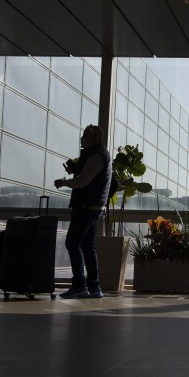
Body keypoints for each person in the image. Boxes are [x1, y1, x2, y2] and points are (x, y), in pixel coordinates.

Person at [54, 125, 112, 299]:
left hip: (87, 207)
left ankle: (80, 285)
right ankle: (94, 287)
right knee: (87, 247)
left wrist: (64, 182)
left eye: (86, 135)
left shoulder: (96, 155)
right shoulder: (98, 154)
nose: (82, 137)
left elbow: (83, 181)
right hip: (93, 207)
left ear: (94, 137)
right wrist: (77, 169)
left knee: (72, 243)